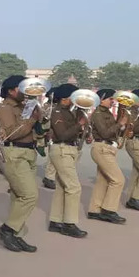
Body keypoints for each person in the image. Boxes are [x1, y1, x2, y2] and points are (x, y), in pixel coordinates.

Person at [0, 76, 41, 253]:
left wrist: (38, 116)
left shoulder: (23, 107)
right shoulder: (5, 108)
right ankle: (7, 230)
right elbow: (11, 134)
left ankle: (16, 235)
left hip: (27, 152)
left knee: (19, 196)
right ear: (12, 91)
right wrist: (32, 120)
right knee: (29, 195)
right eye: (22, 89)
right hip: (14, 152)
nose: (26, 92)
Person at [46, 84, 88, 238]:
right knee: (74, 187)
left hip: (69, 149)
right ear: (65, 98)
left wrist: (82, 126)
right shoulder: (57, 112)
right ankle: (69, 223)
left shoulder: (69, 112)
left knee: (62, 187)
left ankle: (55, 221)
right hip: (62, 149)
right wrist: (80, 124)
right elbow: (62, 134)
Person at [85, 89, 128, 224]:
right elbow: (104, 133)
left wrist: (122, 127)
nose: (112, 101)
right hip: (102, 147)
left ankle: (94, 209)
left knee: (103, 180)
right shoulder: (98, 114)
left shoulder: (105, 112)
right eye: (110, 98)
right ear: (102, 99)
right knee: (118, 180)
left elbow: (111, 131)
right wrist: (120, 123)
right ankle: (108, 210)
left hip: (107, 147)